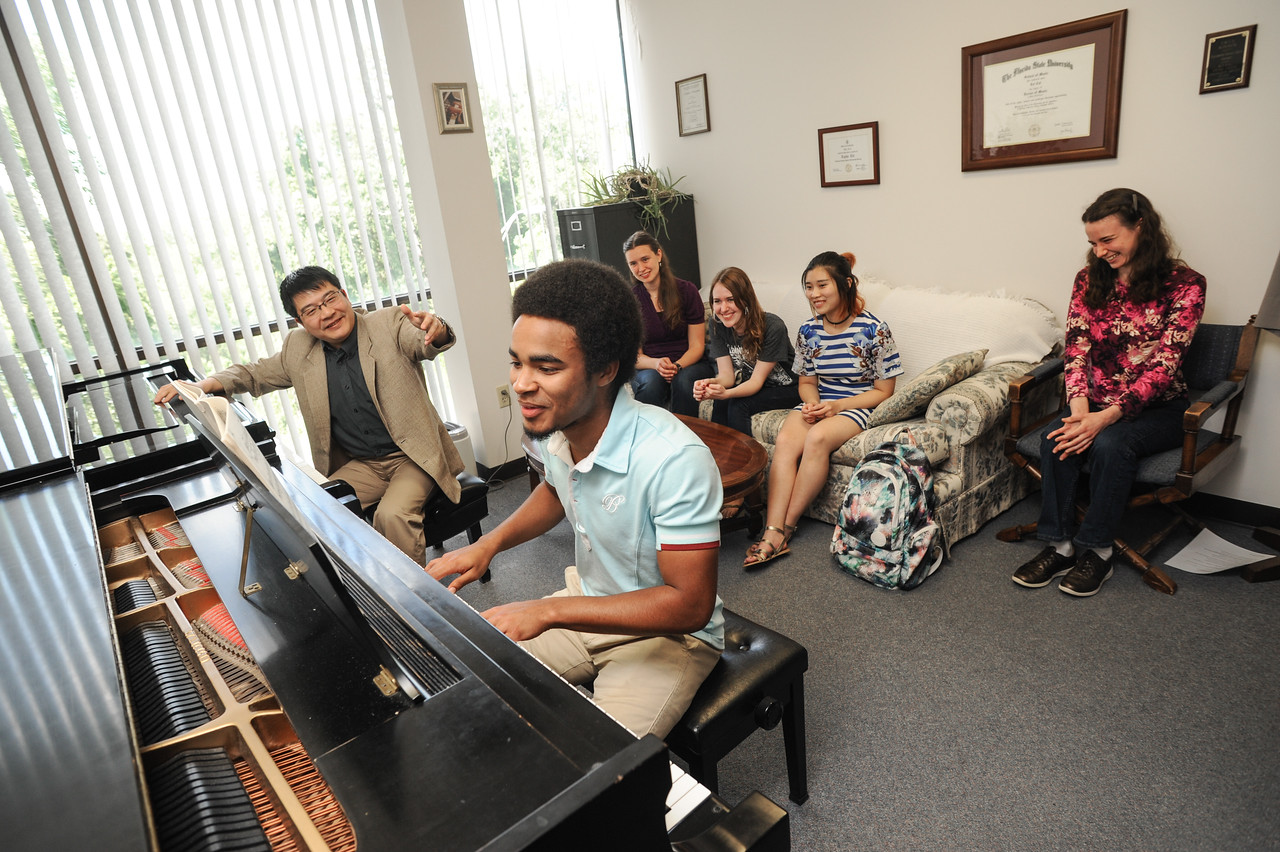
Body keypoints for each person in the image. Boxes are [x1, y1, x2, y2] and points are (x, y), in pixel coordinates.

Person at [427, 258, 724, 738]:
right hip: (588, 602)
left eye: (546, 367)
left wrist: (547, 611)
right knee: (467, 682)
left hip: (668, 638)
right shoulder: (561, 427)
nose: (521, 383)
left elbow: (690, 605)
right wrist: (488, 546)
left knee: (601, 770)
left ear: (606, 370)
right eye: (517, 362)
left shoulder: (674, 459)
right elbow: (556, 488)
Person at [153, 265, 463, 566]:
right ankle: (360, 587)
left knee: (391, 515)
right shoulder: (298, 347)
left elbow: (426, 341)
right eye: (311, 310)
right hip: (364, 465)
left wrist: (437, 330)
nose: (327, 313)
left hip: (413, 457)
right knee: (312, 507)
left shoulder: (389, 322)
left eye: (330, 299)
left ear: (343, 294)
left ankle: (419, 605)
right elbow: (254, 373)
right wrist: (203, 385)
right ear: (300, 321)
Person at [1012, 188, 1206, 597]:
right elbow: (1077, 348)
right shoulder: (1088, 280)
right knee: (1057, 439)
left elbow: (1164, 364)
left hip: (1160, 408)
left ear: (1141, 227)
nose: (1100, 251)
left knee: (1110, 445)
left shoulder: (1185, 284)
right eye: (1093, 243)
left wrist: (1105, 418)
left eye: (1109, 240)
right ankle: (1059, 545)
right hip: (1094, 403)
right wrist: (1080, 411)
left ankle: (1098, 551)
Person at [744, 251, 902, 568]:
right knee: (788, 440)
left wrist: (837, 406)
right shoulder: (808, 331)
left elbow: (884, 391)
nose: (814, 294)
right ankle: (770, 528)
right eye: (808, 286)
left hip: (856, 404)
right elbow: (806, 382)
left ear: (845, 284)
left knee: (816, 439)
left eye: (821, 285)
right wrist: (813, 403)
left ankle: (782, 531)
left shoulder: (875, 330)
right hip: (821, 402)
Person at [692, 266, 801, 435]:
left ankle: (745, 460)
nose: (723, 308)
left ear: (745, 299)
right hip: (760, 386)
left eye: (730, 299)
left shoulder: (772, 326)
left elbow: (756, 382)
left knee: (737, 404)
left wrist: (726, 394)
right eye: (717, 301)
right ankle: (718, 457)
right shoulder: (717, 325)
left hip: (791, 387)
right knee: (720, 402)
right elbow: (727, 377)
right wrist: (709, 384)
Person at [624, 230, 714, 415]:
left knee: (683, 381)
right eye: (633, 263)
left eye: (645, 259)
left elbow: (697, 345)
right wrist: (656, 364)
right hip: (649, 366)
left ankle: (685, 438)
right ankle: (650, 440)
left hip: (689, 363)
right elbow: (634, 356)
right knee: (650, 383)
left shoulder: (687, 290)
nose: (641, 268)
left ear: (658, 254)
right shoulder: (630, 300)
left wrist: (677, 366)